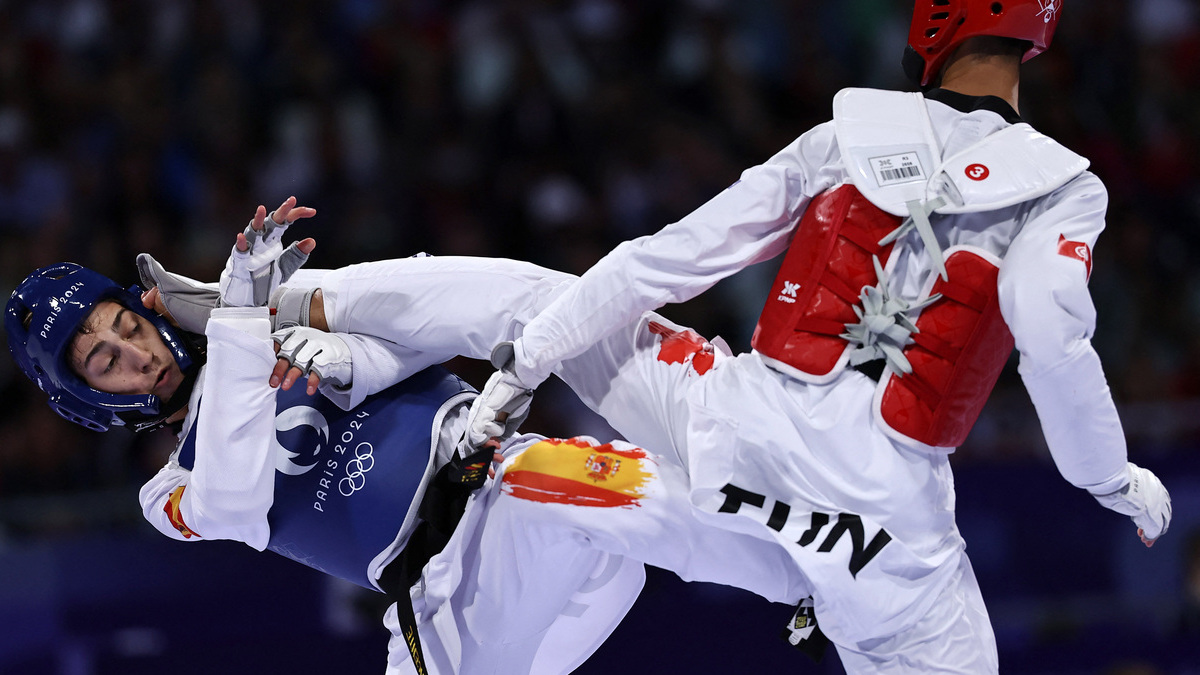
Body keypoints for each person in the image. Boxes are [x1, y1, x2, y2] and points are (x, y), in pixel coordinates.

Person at [461, 1, 1174, 672]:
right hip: (885, 526)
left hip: (740, 431)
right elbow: (1052, 342)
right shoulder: (1060, 188)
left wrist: (527, 361)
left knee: (533, 302)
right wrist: (1107, 475)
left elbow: (671, 255)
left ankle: (349, 313)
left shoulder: (846, 137)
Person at [5, 199, 810, 674]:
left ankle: (812, 573)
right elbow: (236, 492)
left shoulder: (279, 319)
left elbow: (445, 328)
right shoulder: (167, 493)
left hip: (522, 498)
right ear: (90, 398)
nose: (132, 351)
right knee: (558, 486)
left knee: (575, 477)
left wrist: (353, 357)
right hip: (453, 609)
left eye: (122, 324)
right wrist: (243, 319)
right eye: (104, 360)